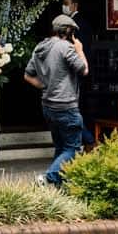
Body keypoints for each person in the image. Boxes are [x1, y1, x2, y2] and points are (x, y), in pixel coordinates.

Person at [26, 13, 89, 187]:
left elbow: (28, 76)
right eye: (72, 32)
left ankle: (60, 187)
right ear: (67, 30)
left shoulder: (40, 47)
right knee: (73, 148)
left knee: (61, 148)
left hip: (48, 106)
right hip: (66, 106)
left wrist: (46, 86)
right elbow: (84, 70)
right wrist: (80, 50)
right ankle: (48, 178)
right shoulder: (65, 47)